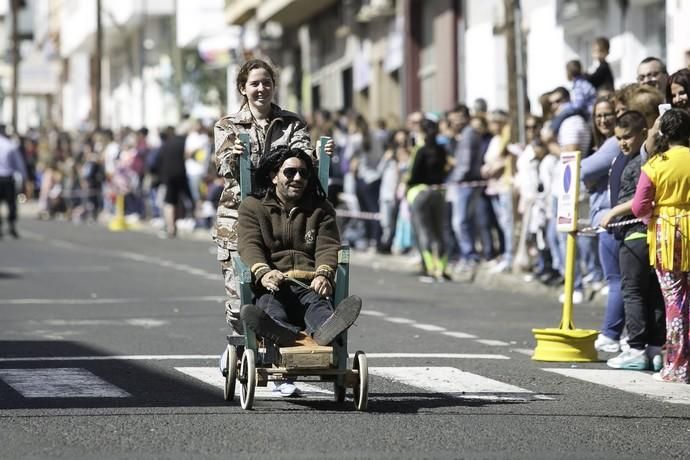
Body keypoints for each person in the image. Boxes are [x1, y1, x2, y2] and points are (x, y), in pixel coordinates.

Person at [213, 58, 333, 334]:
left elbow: (303, 159)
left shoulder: (291, 123)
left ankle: (301, 332)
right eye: (254, 83)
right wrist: (236, 158)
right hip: (237, 219)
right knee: (241, 300)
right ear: (243, 88)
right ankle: (248, 350)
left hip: (284, 218)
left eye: (266, 83)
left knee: (293, 287)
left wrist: (319, 156)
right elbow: (223, 164)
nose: (261, 89)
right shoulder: (228, 126)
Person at [238, 146, 362, 348]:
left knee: (319, 310)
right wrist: (264, 272)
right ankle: (279, 331)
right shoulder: (253, 206)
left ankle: (328, 330)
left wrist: (324, 274)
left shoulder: (321, 209)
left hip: (309, 285)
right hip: (274, 286)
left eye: (303, 173)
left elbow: (327, 246)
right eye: (289, 172)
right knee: (270, 309)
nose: (297, 178)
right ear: (274, 176)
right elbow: (249, 243)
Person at [600, 111, 665, 370]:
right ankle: (655, 349)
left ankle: (637, 349)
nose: (623, 142)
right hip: (644, 233)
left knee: (634, 292)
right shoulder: (627, 158)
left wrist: (614, 212)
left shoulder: (644, 158)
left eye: (627, 136)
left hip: (636, 233)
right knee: (652, 293)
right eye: (618, 138)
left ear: (643, 134)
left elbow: (641, 200)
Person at [632, 108, 690, 383]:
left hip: (668, 232)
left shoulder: (655, 164)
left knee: (674, 300)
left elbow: (638, 206)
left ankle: (677, 365)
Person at [407, 118, 450, 282]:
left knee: (423, 231)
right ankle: (442, 268)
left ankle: (430, 268)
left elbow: (412, 174)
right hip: (439, 192)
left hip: (420, 192)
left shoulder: (420, 150)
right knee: (439, 231)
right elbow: (445, 169)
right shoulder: (441, 150)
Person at [0, 124, 27, 238]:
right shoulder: (10, 145)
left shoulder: (10, 145)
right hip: (8, 178)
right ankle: (11, 225)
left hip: (4, 177)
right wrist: (24, 177)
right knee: (11, 203)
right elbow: (19, 164)